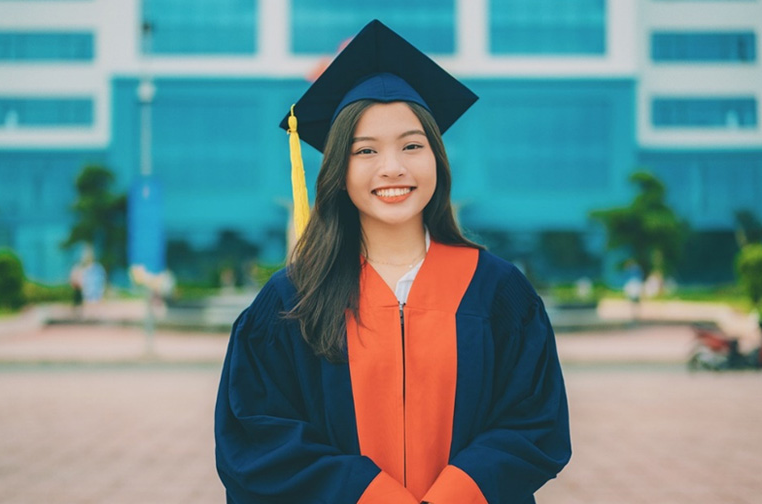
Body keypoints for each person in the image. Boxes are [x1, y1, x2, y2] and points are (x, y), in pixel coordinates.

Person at [214, 20, 571, 504]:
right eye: (366, 151)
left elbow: (533, 421)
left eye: (411, 145)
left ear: (437, 159)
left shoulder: (498, 291)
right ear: (338, 170)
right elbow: (258, 436)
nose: (393, 168)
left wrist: (454, 495)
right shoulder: (292, 299)